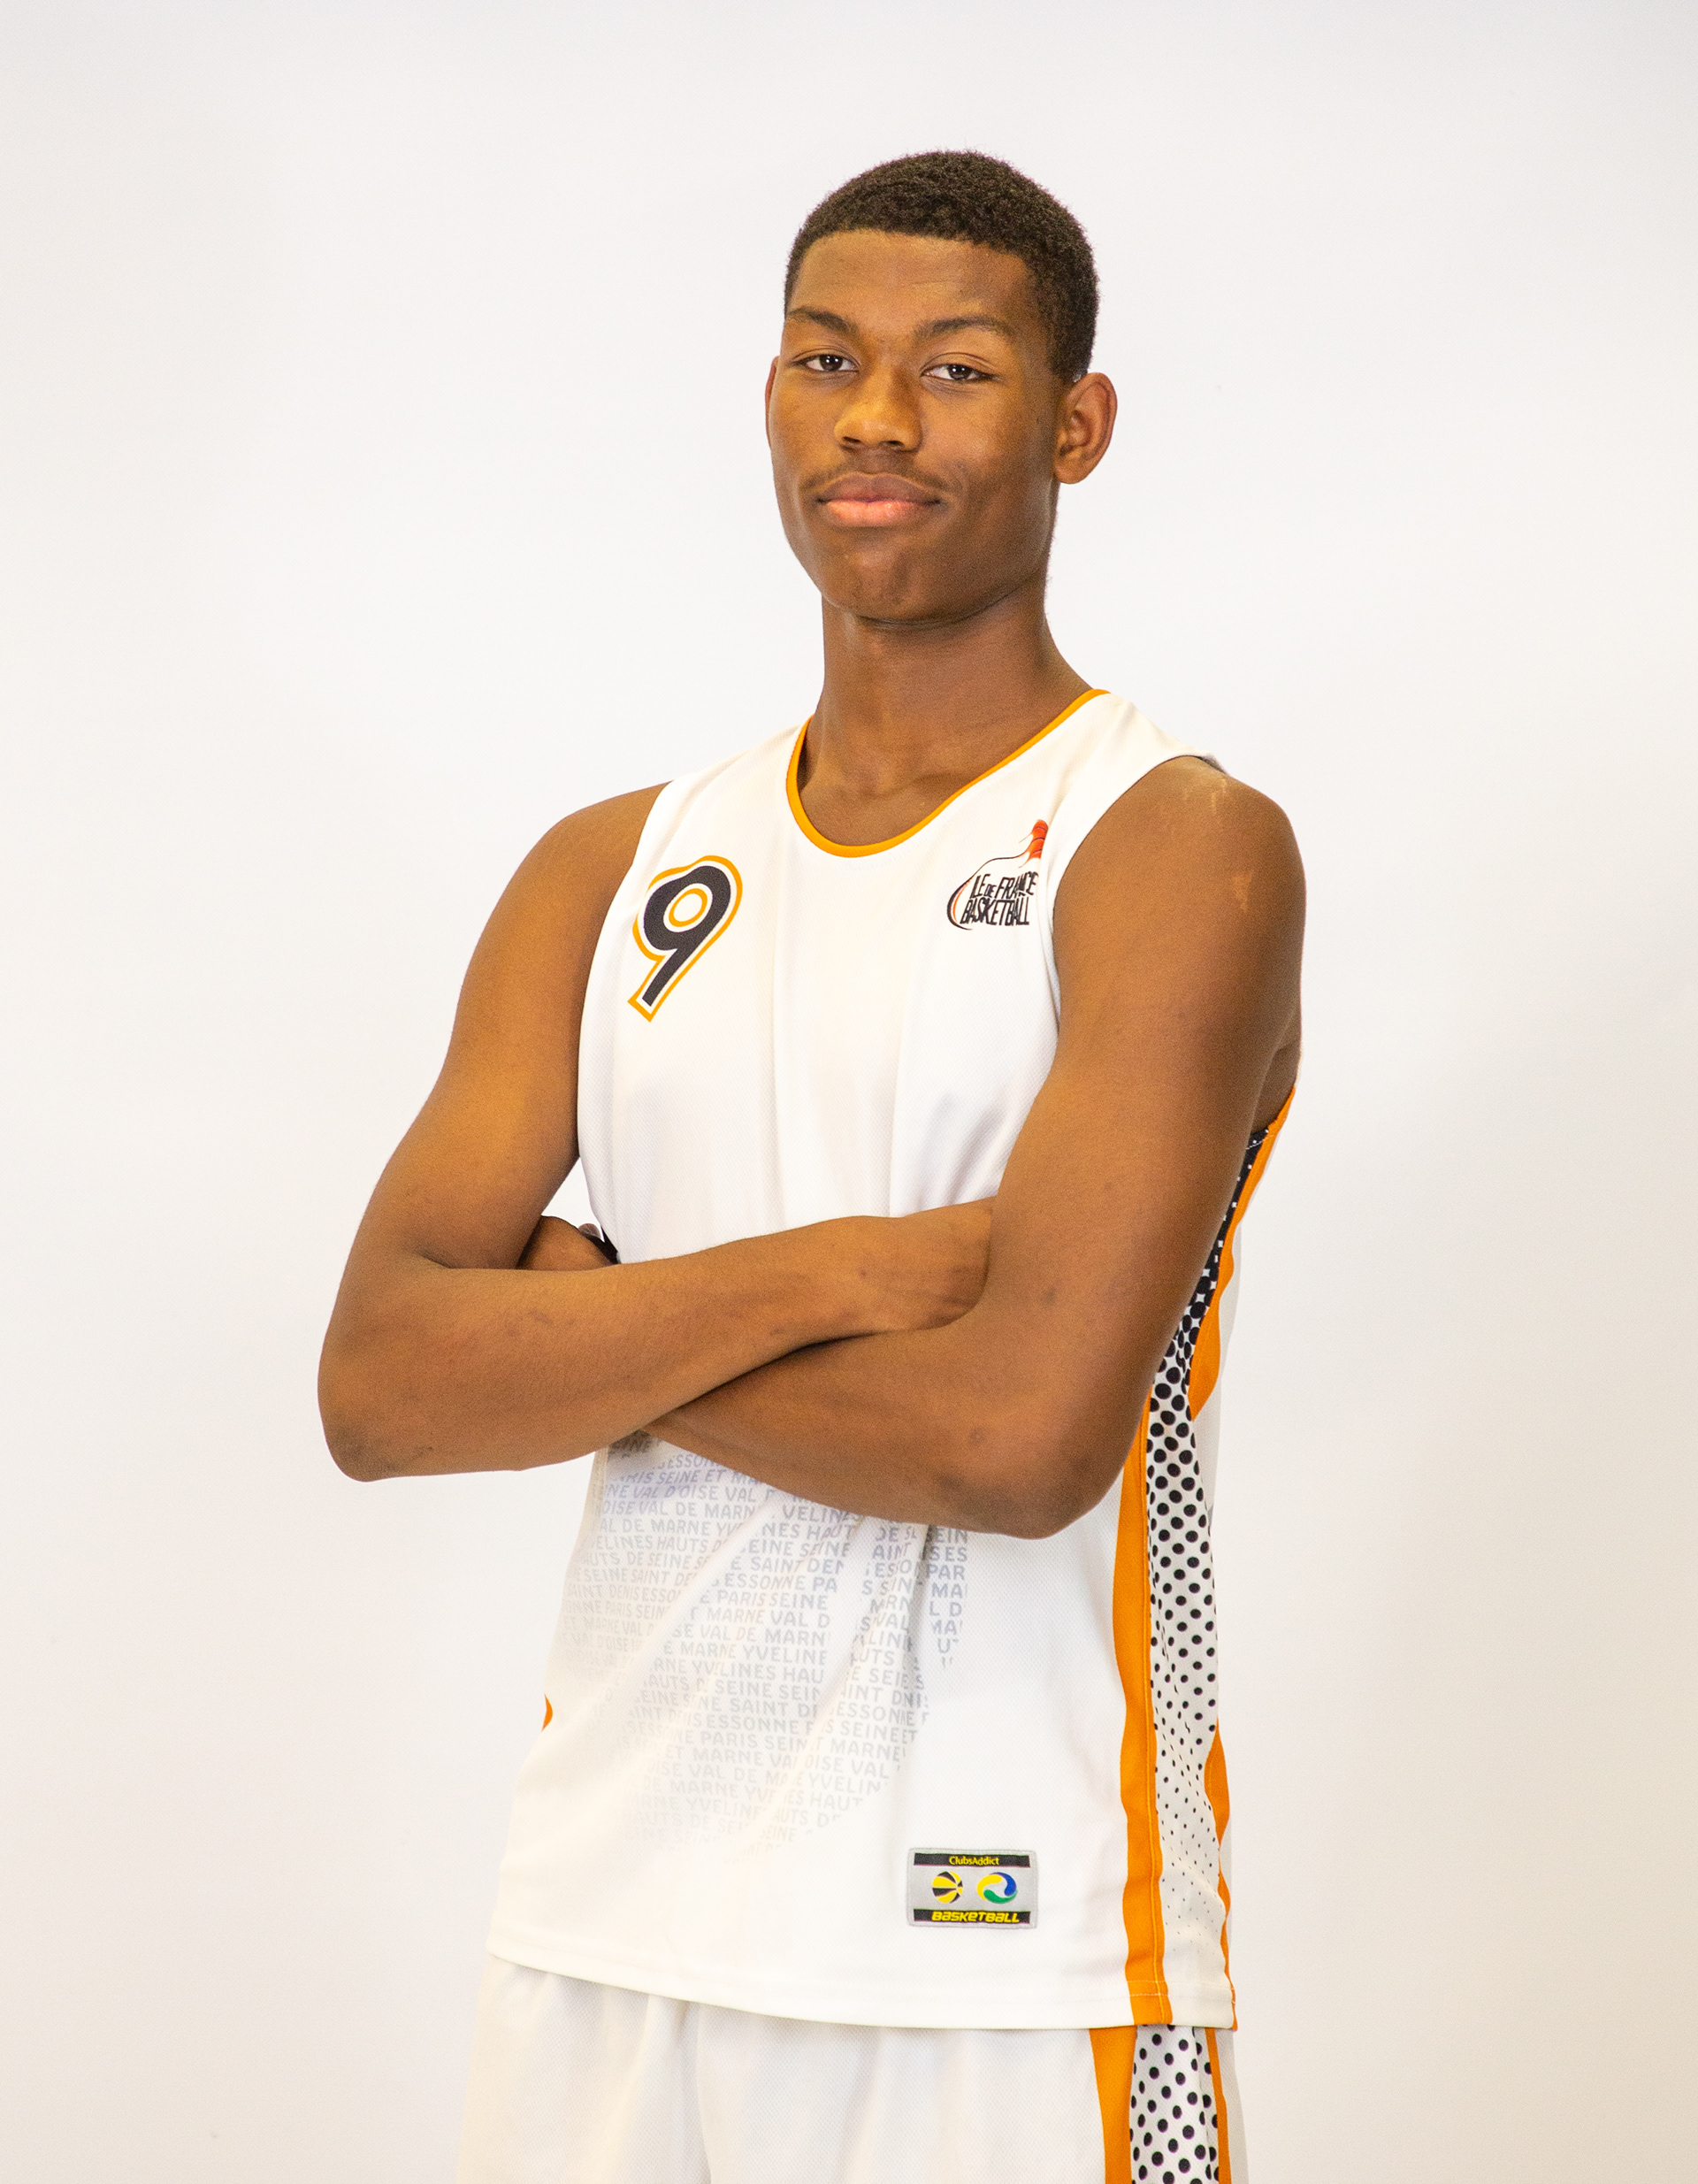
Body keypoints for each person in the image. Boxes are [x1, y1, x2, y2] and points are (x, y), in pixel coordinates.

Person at [320, 149, 1304, 2184]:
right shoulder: (613, 867)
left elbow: (1016, 1439)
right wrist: (837, 1270)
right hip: (607, 1917)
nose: (876, 417)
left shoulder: (1169, 845)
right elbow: (384, 1385)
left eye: (956, 368)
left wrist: (592, 1334)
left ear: (1076, 425)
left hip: (1011, 1942)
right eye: (826, 360)